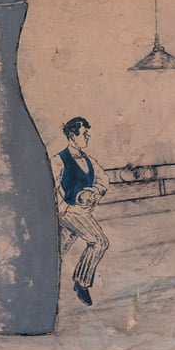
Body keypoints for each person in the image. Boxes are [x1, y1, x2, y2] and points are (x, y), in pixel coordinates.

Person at [57, 116, 110, 306]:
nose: (87, 137)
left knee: (57, 251)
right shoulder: (59, 160)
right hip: (70, 212)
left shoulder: (89, 160)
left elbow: (103, 179)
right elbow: (50, 188)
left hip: (82, 212)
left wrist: (95, 191)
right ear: (72, 136)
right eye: (84, 134)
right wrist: (64, 208)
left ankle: (41, 284)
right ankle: (81, 282)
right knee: (99, 242)